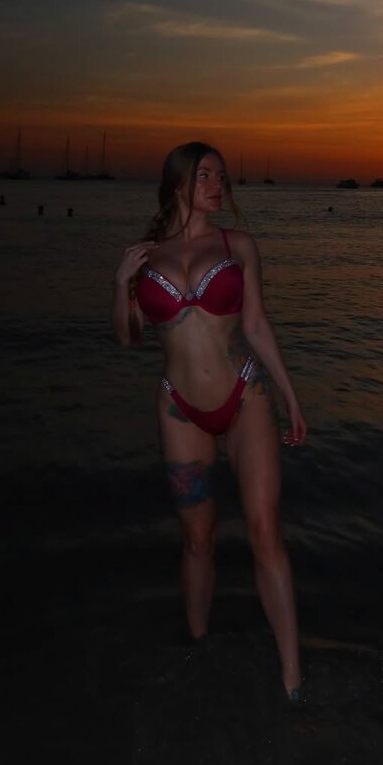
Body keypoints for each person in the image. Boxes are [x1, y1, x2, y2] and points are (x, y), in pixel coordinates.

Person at [112, 142, 306, 700]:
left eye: (222, 176)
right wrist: (120, 284)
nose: (219, 185)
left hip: (245, 397)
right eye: (206, 176)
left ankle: (292, 678)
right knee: (197, 540)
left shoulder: (237, 245)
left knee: (265, 531)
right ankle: (198, 652)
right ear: (179, 183)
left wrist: (291, 397)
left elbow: (257, 325)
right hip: (180, 409)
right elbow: (128, 338)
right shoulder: (145, 258)